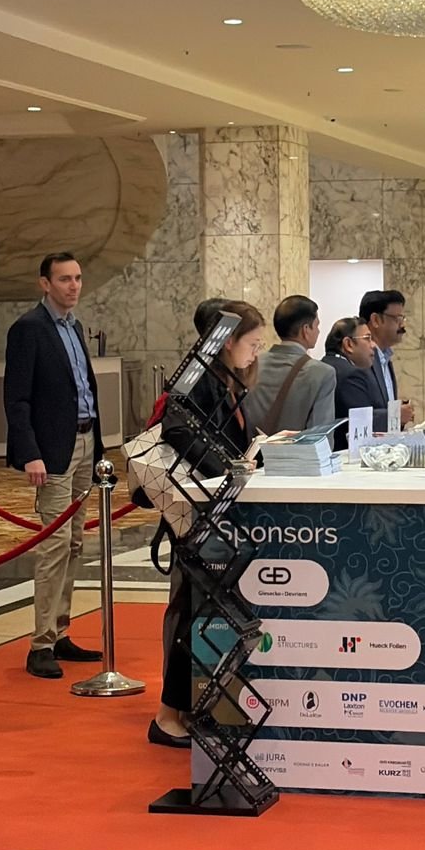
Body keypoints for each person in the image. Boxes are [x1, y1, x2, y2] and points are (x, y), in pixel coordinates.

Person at [150, 297, 265, 748]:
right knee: (191, 614)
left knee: (201, 612)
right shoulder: (199, 380)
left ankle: (187, 707)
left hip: (213, 507)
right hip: (197, 510)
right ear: (228, 341)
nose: (256, 353)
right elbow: (178, 432)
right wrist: (226, 467)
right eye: (252, 343)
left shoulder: (225, 381)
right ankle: (166, 715)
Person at [3, 253, 104, 678]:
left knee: (75, 543)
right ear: (45, 283)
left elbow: (83, 391)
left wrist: (98, 447)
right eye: (64, 279)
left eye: (77, 278)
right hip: (52, 451)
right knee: (54, 545)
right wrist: (30, 452)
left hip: (84, 441)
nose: (73, 286)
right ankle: (40, 644)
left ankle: (60, 631)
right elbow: (17, 398)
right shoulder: (29, 329)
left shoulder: (74, 327)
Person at [243, 294, 335, 435]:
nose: (318, 331)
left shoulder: (252, 364)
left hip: (251, 449)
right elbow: (320, 436)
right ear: (306, 330)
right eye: (317, 325)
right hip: (295, 450)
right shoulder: (322, 373)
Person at [359, 289, 415, 426]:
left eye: (403, 319)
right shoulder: (360, 359)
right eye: (398, 319)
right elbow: (357, 415)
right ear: (376, 320)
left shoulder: (385, 359)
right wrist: (395, 415)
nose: (403, 325)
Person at [321, 317, 377, 450]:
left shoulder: (321, 366)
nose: (373, 345)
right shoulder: (351, 375)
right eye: (367, 338)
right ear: (348, 344)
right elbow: (362, 428)